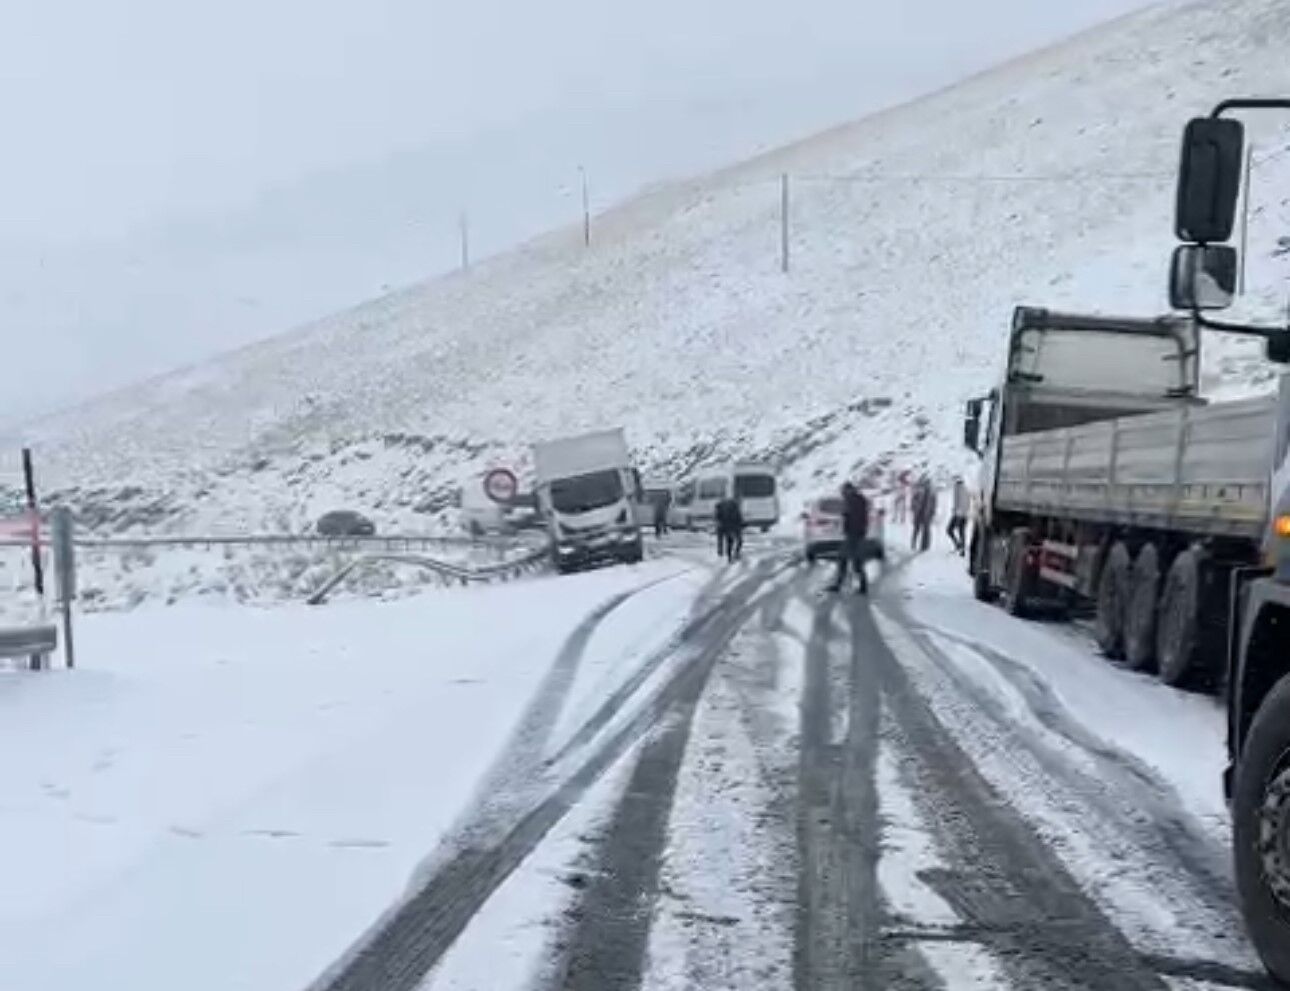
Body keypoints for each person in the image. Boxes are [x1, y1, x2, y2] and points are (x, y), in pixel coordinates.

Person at [827, 481, 869, 594]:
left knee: (844, 560)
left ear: (847, 490)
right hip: (858, 534)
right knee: (855, 562)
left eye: (843, 491)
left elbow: (851, 515)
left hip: (853, 535)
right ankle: (863, 586)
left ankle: (839, 585)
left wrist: (845, 516)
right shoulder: (859, 499)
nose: (842, 494)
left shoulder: (852, 500)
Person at [910, 474, 936, 552]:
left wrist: (932, 512)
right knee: (916, 529)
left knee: (926, 530)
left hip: (927, 513)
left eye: (927, 482)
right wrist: (913, 508)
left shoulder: (932, 492)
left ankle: (925, 546)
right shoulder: (918, 490)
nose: (926, 484)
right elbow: (913, 500)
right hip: (919, 512)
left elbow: (934, 503)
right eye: (925, 482)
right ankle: (913, 543)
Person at [714, 495, 744, 562]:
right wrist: (741, 524)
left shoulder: (723, 505)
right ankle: (734, 555)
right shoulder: (734, 506)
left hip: (726, 526)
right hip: (731, 526)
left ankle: (727, 555)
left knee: (729, 541)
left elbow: (717, 516)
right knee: (736, 541)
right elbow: (738, 517)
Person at [946, 477, 969, 555]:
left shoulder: (957, 488)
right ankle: (962, 549)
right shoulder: (966, 489)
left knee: (949, 530)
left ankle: (958, 545)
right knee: (961, 532)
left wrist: (956, 510)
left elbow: (958, 501)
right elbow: (967, 503)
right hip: (965, 514)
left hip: (958, 514)